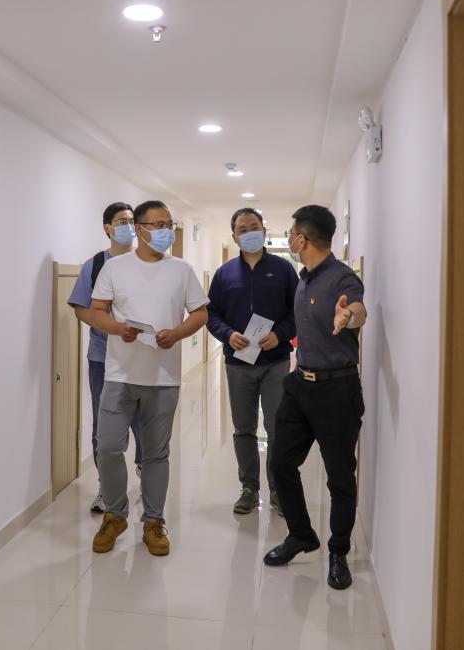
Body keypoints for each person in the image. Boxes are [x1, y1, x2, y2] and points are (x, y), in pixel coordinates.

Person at [86, 200, 208, 556]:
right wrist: (118, 328)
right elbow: (96, 311)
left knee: (156, 453)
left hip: (163, 377)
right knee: (108, 446)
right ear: (139, 229)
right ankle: (115, 515)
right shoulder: (115, 268)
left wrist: (178, 333)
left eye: (169, 224)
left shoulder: (181, 270)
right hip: (119, 374)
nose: (166, 230)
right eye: (159, 224)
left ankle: (154, 521)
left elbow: (200, 313)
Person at [263, 205, 367, 591]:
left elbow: (358, 308)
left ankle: (338, 551)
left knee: (339, 477)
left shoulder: (342, 277)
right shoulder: (302, 279)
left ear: (301, 239)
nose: (289, 238)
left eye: (291, 233)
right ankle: (301, 535)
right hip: (299, 385)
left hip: (337, 390)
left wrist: (348, 317)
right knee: (280, 463)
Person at [207, 208, 298, 516]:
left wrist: (280, 334)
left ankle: (278, 489)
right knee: (243, 428)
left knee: (277, 428)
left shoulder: (283, 270)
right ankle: (249, 488)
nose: (249, 233)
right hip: (238, 364)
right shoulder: (224, 274)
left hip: (275, 361)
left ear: (264, 230)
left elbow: (297, 311)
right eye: (242, 229)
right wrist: (228, 334)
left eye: (254, 227)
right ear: (234, 237)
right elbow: (211, 314)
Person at [67, 202, 144, 514]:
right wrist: (111, 328)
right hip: (103, 359)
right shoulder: (96, 265)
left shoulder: (147, 261)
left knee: (143, 421)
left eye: (131, 221)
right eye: (121, 221)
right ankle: (106, 487)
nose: (128, 226)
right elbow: (80, 308)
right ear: (107, 228)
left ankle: (145, 468)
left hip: (143, 356)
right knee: (104, 425)